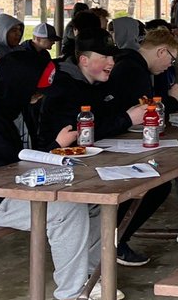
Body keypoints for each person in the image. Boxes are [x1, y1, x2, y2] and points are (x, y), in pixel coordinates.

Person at [0, 51, 111, 300]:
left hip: (18, 186)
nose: (39, 97)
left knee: (92, 202)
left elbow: (26, 156)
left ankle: (91, 280)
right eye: (36, 92)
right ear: (20, 87)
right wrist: (55, 149)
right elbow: (3, 176)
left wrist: (54, 150)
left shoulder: (17, 108)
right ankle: (70, 299)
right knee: (66, 212)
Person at [38, 38, 167, 268]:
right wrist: (128, 118)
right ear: (84, 60)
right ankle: (94, 268)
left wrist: (127, 115)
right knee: (126, 190)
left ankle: (114, 244)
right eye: (105, 57)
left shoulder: (100, 84)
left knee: (156, 183)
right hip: (60, 167)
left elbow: (105, 121)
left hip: (97, 158)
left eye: (112, 57)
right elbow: (79, 134)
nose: (111, 62)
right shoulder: (63, 87)